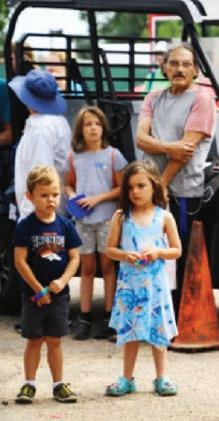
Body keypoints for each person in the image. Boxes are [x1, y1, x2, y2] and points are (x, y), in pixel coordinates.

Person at [136, 43, 216, 315]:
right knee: (145, 251)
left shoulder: (202, 99)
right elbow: (141, 139)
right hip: (148, 191)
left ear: (195, 70)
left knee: (175, 255)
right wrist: (170, 147)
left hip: (181, 192)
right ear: (164, 67)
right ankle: (148, 313)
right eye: (174, 63)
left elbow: (186, 151)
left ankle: (174, 319)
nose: (179, 69)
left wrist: (161, 185)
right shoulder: (153, 98)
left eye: (186, 64)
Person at [105, 160, 181, 397]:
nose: (135, 192)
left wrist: (158, 252)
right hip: (130, 285)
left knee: (158, 330)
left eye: (141, 186)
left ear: (154, 185)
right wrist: (126, 255)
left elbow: (177, 250)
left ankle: (161, 377)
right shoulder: (121, 217)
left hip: (155, 287)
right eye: (130, 187)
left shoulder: (164, 217)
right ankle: (127, 378)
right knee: (130, 331)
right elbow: (110, 249)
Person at [13, 165, 82, 404]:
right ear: (30, 196)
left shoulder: (66, 225)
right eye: (44, 195)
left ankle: (58, 385)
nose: (51, 200)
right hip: (34, 296)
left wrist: (63, 281)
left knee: (55, 341)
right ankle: (29, 384)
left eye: (55, 194)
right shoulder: (25, 226)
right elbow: (20, 261)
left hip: (59, 296)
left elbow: (75, 258)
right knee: (34, 341)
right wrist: (37, 289)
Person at [64, 106, 128, 340]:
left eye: (97, 124)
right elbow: (68, 184)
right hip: (83, 221)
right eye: (88, 124)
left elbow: (121, 187)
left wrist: (97, 199)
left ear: (103, 128)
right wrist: (73, 195)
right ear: (80, 130)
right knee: (87, 268)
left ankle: (109, 316)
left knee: (108, 266)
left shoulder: (112, 155)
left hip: (106, 219)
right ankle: (84, 316)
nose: (93, 128)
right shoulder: (74, 157)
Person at [9, 69, 71, 220]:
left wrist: (32, 220)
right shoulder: (58, 122)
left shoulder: (40, 129)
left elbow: (41, 177)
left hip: (41, 216)